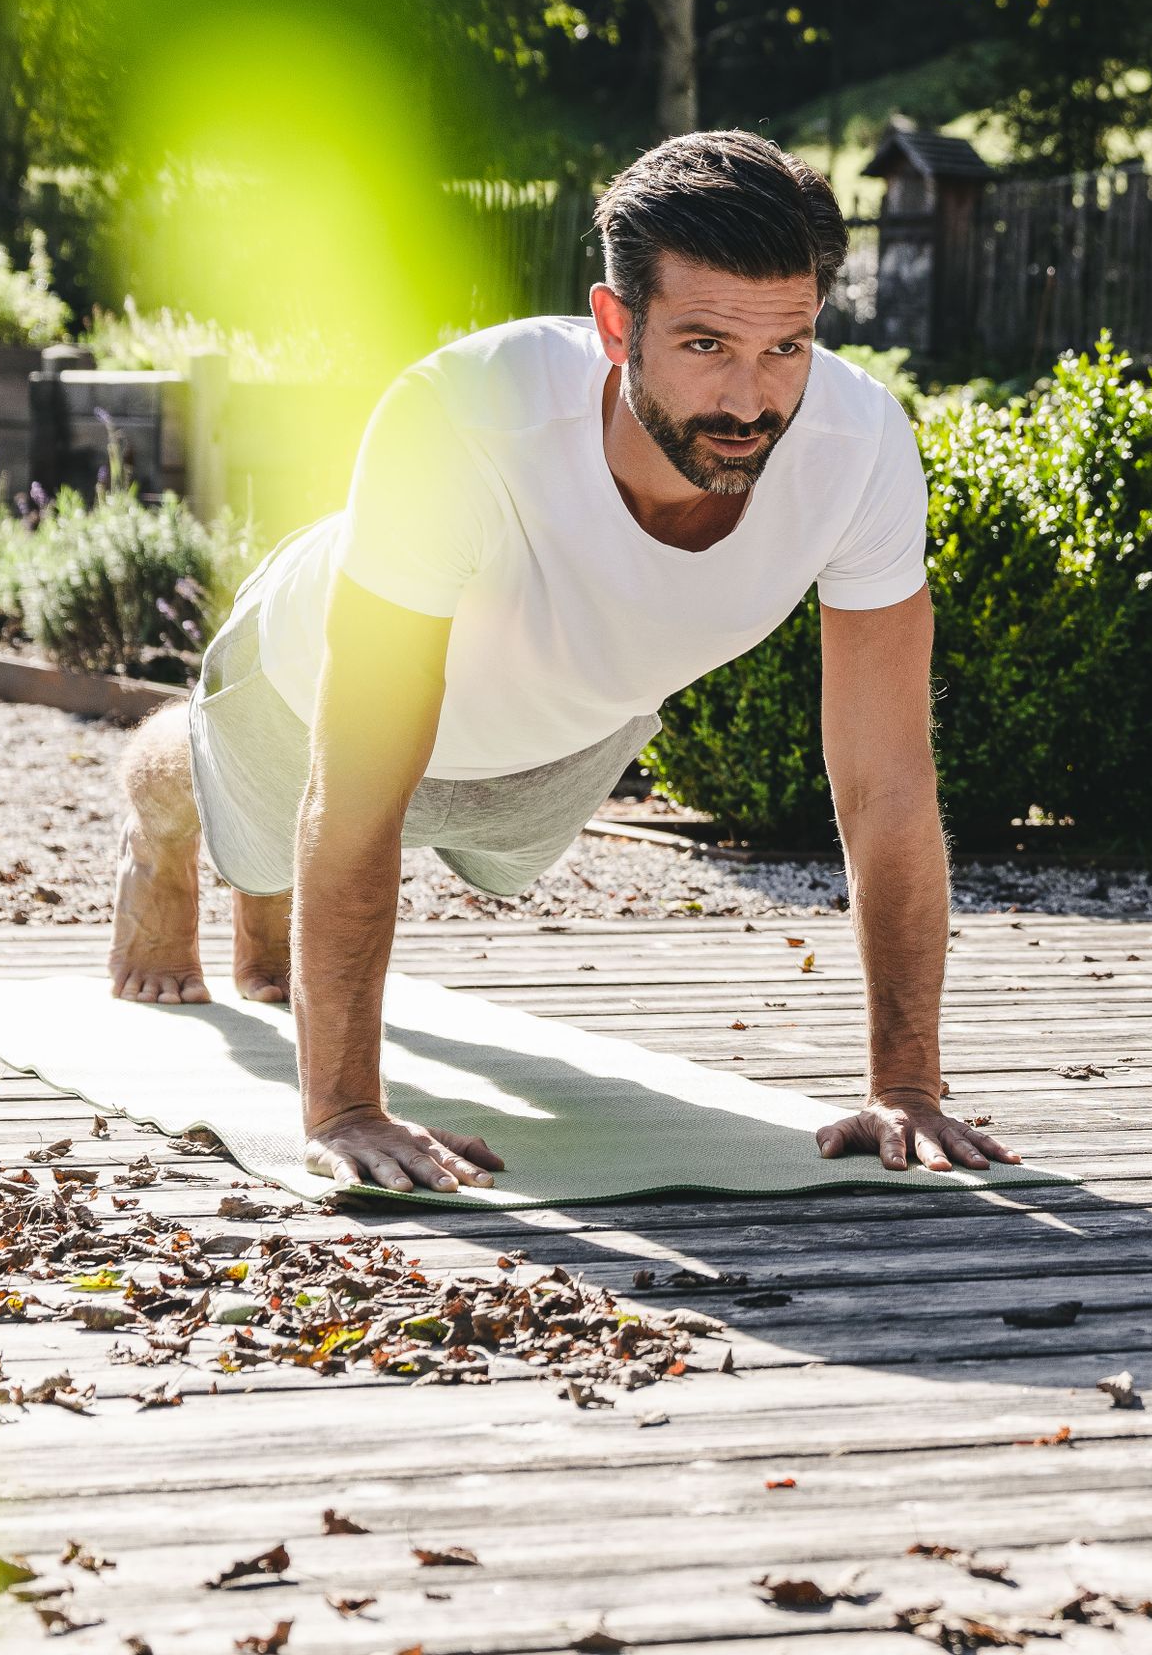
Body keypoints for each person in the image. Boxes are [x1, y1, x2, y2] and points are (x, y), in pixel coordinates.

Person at [101, 131, 1009, 1189]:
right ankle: (169, 834)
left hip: (561, 731)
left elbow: (887, 782)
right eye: (706, 344)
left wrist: (907, 1086)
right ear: (617, 325)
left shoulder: (859, 448)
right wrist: (345, 1107)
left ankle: (270, 889)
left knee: (433, 857)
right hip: (312, 696)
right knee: (234, 807)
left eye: (787, 347)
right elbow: (353, 785)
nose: (750, 400)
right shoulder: (464, 416)